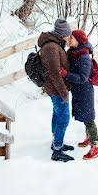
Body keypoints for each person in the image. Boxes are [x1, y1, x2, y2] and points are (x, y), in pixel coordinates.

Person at [61, 29, 98, 160]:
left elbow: (83, 77)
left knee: (89, 119)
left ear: (78, 40)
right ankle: (89, 138)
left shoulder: (84, 57)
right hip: (79, 91)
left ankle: (96, 147)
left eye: (72, 37)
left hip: (85, 91)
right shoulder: (74, 53)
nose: (69, 39)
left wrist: (66, 75)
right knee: (85, 117)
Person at [39, 18, 75, 162]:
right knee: (63, 119)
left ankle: (56, 143)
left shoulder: (55, 45)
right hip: (57, 90)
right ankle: (57, 150)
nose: (69, 37)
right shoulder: (52, 47)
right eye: (68, 34)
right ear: (62, 34)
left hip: (55, 89)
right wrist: (64, 92)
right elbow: (54, 73)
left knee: (57, 114)